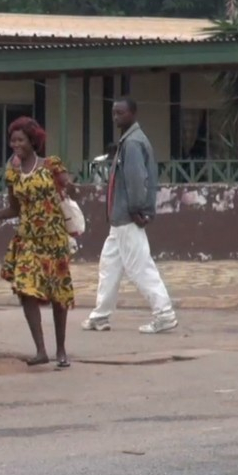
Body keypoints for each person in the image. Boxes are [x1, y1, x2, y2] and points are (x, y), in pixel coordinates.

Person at [0, 117, 74, 368]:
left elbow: (68, 184)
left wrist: (69, 185)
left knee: (58, 294)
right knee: (25, 290)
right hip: (28, 239)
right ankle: (41, 350)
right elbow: (13, 209)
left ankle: (61, 350)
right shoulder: (12, 172)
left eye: (20, 140)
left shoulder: (50, 165)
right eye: (12, 141)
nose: (15, 145)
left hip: (54, 240)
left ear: (32, 141)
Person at [81, 97, 177, 334]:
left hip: (127, 216)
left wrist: (136, 209)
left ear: (133, 114)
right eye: (114, 113)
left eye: (121, 113)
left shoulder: (133, 143)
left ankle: (164, 314)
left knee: (140, 267)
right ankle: (100, 316)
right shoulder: (129, 140)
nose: (116, 117)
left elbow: (137, 179)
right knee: (109, 266)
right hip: (120, 219)